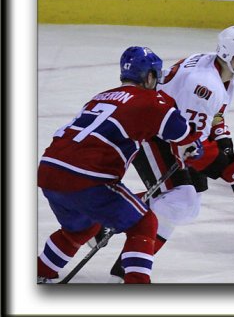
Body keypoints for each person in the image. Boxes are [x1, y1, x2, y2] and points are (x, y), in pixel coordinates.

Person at [103, 26, 234, 281]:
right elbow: (187, 145)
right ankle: (111, 222)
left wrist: (229, 153)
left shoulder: (217, 70)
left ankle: (124, 259)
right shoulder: (205, 84)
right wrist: (232, 171)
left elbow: (215, 118)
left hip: (166, 129)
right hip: (150, 131)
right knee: (181, 199)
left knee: (186, 202)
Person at [37, 47, 200, 283]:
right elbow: (182, 133)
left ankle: (40, 270)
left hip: (49, 170)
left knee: (81, 228)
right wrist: (192, 147)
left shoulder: (100, 97)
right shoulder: (152, 100)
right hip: (87, 177)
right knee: (144, 222)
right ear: (149, 77)